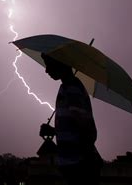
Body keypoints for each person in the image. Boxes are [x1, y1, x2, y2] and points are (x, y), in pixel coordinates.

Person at [39, 53, 102, 185]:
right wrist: (54, 131)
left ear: (61, 64)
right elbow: (74, 127)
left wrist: (83, 162)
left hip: (79, 167)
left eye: (49, 65)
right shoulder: (66, 87)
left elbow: (85, 129)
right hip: (74, 166)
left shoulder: (72, 88)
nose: (46, 70)